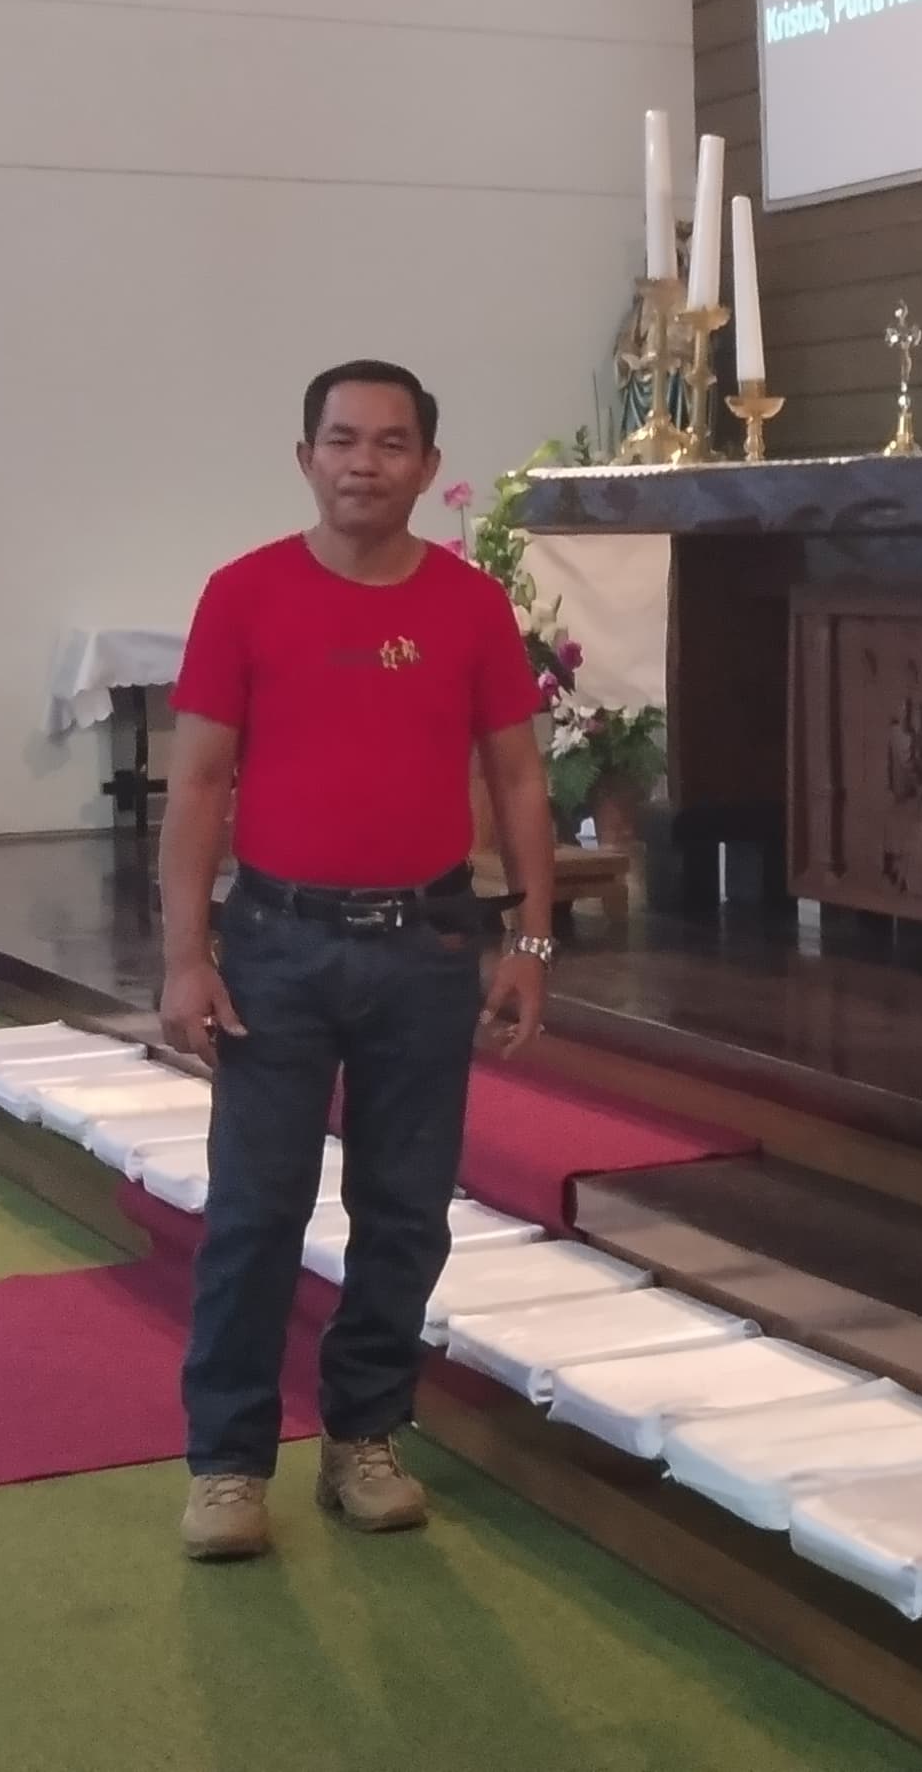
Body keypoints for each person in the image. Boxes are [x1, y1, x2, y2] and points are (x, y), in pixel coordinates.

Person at [154, 359, 557, 1561]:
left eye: (390, 444)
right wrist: (186, 955)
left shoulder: (471, 604)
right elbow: (197, 782)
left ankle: (363, 1438)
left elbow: (520, 777)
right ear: (304, 458)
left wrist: (528, 937)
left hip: (428, 946)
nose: (363, 464)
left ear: (427, 469)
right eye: (341, 441)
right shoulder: (243, 595)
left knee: (404, 1213)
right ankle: (228, 1465)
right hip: (276, 945)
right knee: (254, 1216)